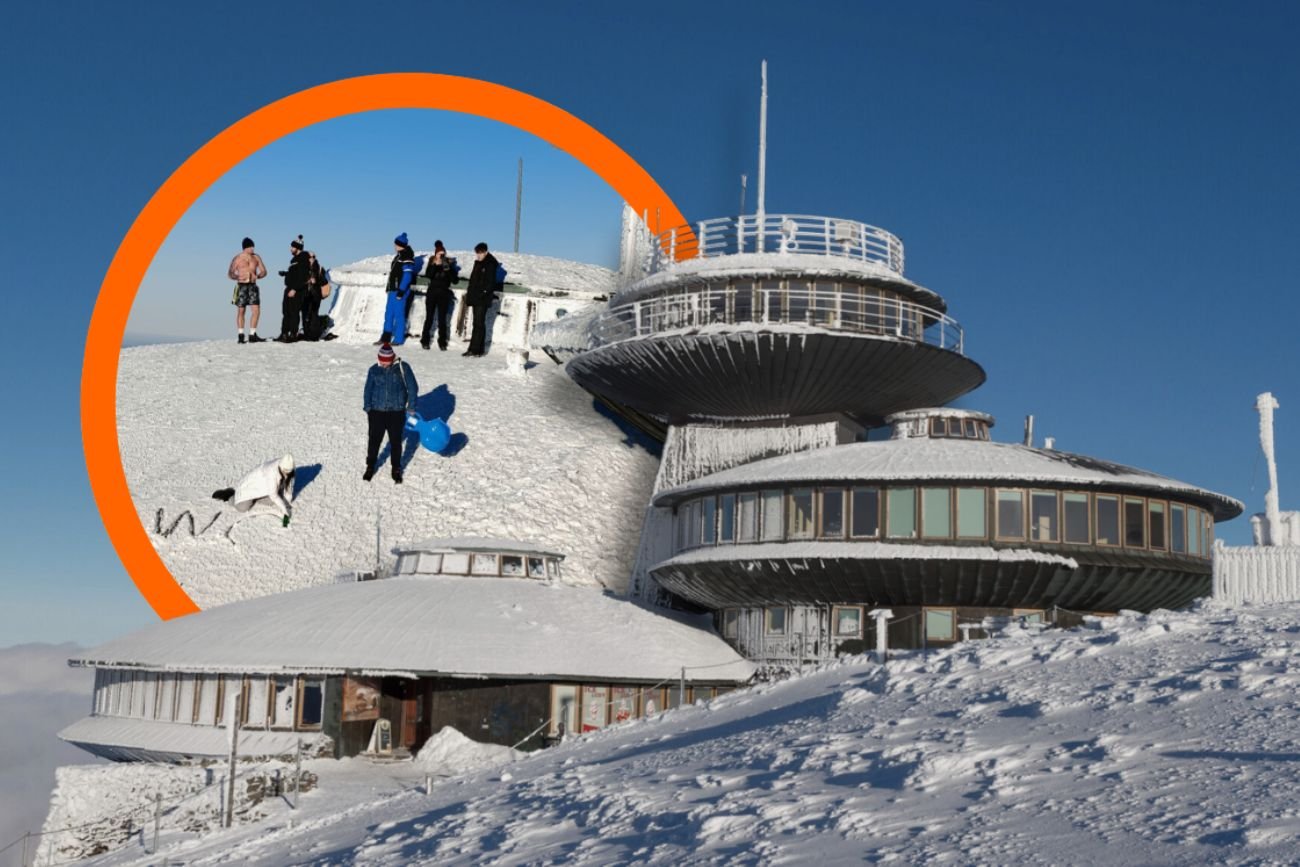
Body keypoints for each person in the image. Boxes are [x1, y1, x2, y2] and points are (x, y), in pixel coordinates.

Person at [363, 343, 419, 483]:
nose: (385, 365)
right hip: (377, 412)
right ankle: (370, 466)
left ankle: (396, 468)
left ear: (392, 358)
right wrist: (368, 407)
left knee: (395, 442)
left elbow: (413, 387)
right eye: (382, 362)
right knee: (374, 441)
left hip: (396, 412)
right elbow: (368, 389)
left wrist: (411, 407)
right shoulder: (373, 370)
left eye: (387, 362)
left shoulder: (402, 368)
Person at [211, 454, 296, 526]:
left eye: (288, 471)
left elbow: (289, 488)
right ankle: (230, 495)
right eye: (285, 471)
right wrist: (284, 510)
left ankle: (256, 498)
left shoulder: (290, 469)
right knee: (242, 508)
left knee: (271, 502)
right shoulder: (271, 472)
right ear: (281, 467)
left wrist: (287, 502)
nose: (287, 473)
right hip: (250, 488)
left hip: (264, 488)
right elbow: (274, 496)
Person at [227, 237, 268, 344]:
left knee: (256, 310)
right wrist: (237, 277)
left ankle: (252, 334)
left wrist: (258, 276)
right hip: (241, 286)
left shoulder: (256, 257)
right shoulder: (237, 258)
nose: (253, 249)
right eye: (251, 247)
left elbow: (264, 271)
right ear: (246, 247)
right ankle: (241, 335)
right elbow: (230, 273)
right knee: (241, 311)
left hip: (253, 286)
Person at [381, 233, 419, 346]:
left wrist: (401, 291)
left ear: (399, 244)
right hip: (392, 289)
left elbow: (407, 276)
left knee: (399, 314)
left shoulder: (407, 257)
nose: (394, 245)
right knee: (389, 314)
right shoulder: (398, 256)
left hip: (400, 291)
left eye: (395, 243)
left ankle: (398, 339)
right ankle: (386, 337)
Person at [464, 241, 500, 357]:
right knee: (476, 324)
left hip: (482, 298)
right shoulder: (479, 263)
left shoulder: (490, 264)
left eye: (480, 253)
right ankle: (473, 349)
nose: (478, 255)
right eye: (477, 253)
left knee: (479, 324)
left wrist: (482, 294)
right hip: (476, 297)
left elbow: (490, 283)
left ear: (485, 252)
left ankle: (478, 350)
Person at [420, 240, 458, 351]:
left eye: (443, 254)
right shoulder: (432, 263)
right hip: (432, 293)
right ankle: (425, 340)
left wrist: (448, 269)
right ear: (435, 254)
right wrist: (435, 265)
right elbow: (428, 275)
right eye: (439, 254)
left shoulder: (448, 264)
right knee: (429, 318)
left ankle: (442, 341)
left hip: (444, 294)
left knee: (442, 319)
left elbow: (455, 280)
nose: (441, 256)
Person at [277, 235, 311, 342]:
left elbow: (303, 277)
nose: (290, 249)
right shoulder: (294, 260)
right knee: (286, 312)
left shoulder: (303, 259)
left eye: (292, 247)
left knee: (293, 312)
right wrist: (286, 273)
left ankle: (293, 334)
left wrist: (295, 289)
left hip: (296, 291)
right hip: (289, 288)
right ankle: (284, 333)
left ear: (298, 248)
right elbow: (295, 273)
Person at [301, 251, 330, 341]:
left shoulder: (319, 268)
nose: (312, 258)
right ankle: (307, 334)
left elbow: (325, 281)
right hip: (305, 294)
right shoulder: (302, 268)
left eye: (313, 256)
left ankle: (313, 336)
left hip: (315, 295)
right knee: (305, 314)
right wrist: (307, 280)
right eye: (310, 257)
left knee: (313, 314)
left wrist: (316, 280)